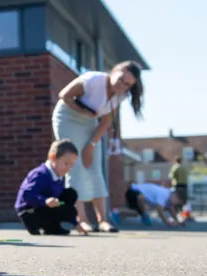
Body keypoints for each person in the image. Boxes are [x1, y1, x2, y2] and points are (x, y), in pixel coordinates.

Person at [52, 60, 144, 233]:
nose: (123, 86)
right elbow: (64, 95)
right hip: (68, 116)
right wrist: (84, 112)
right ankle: (82, 220)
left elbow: (107, 120)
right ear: (115, 70)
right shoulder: (93, 80)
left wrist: (92, 144)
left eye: (128, 85)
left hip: (89, 122)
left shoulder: (121, 95)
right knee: (75, 166)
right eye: (122, 79)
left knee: (94, 167)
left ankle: (103, 220)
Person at [14, 139, 88, 235]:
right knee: (61, 205)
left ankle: (52, 227)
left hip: (45, 208)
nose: (69, 168)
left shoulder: (60, 176)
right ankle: (38, 226)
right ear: (53, 158)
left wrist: (76, 224)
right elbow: (27, 195)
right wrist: (44, 200)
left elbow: (61, 201)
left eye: (71, 165)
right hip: (29, 212)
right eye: (66, 164)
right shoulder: (40, 174)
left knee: (70, 195)